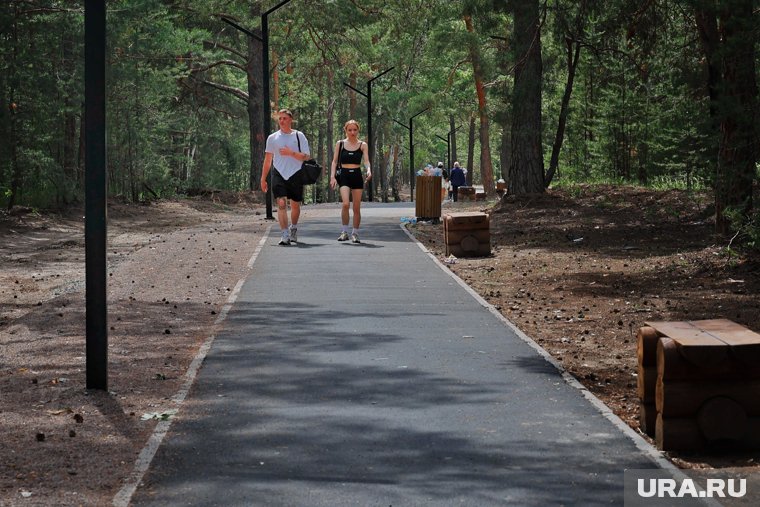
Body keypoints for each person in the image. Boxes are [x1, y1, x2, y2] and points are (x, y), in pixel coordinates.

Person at [260, 109, 311, 245]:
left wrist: (291, 153)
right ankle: (284, 234)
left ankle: (293, 227)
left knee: (295, 205)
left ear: (290, 120)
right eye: (280, 118)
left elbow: (307, 156)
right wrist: (263, 178)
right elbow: (267, 159)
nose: (282, 121)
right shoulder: (272, 138)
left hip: (296, 173)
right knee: (281, 204)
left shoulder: (299, 136)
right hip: (279, 173)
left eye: (284, 118)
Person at [330, 119, 371, 243]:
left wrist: (368, 170)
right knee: (346, 204)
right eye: (350, 130)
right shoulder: (340, 143)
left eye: (355, 130)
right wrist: (332, 177)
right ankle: (344, 232)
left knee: (356, 207)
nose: (352, 132)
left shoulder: (362, 145)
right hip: (344, 176)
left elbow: (366, 161)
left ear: (358, 130)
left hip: (357, 176)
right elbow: (334, 161)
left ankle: (355, 233)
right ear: (345, 131)